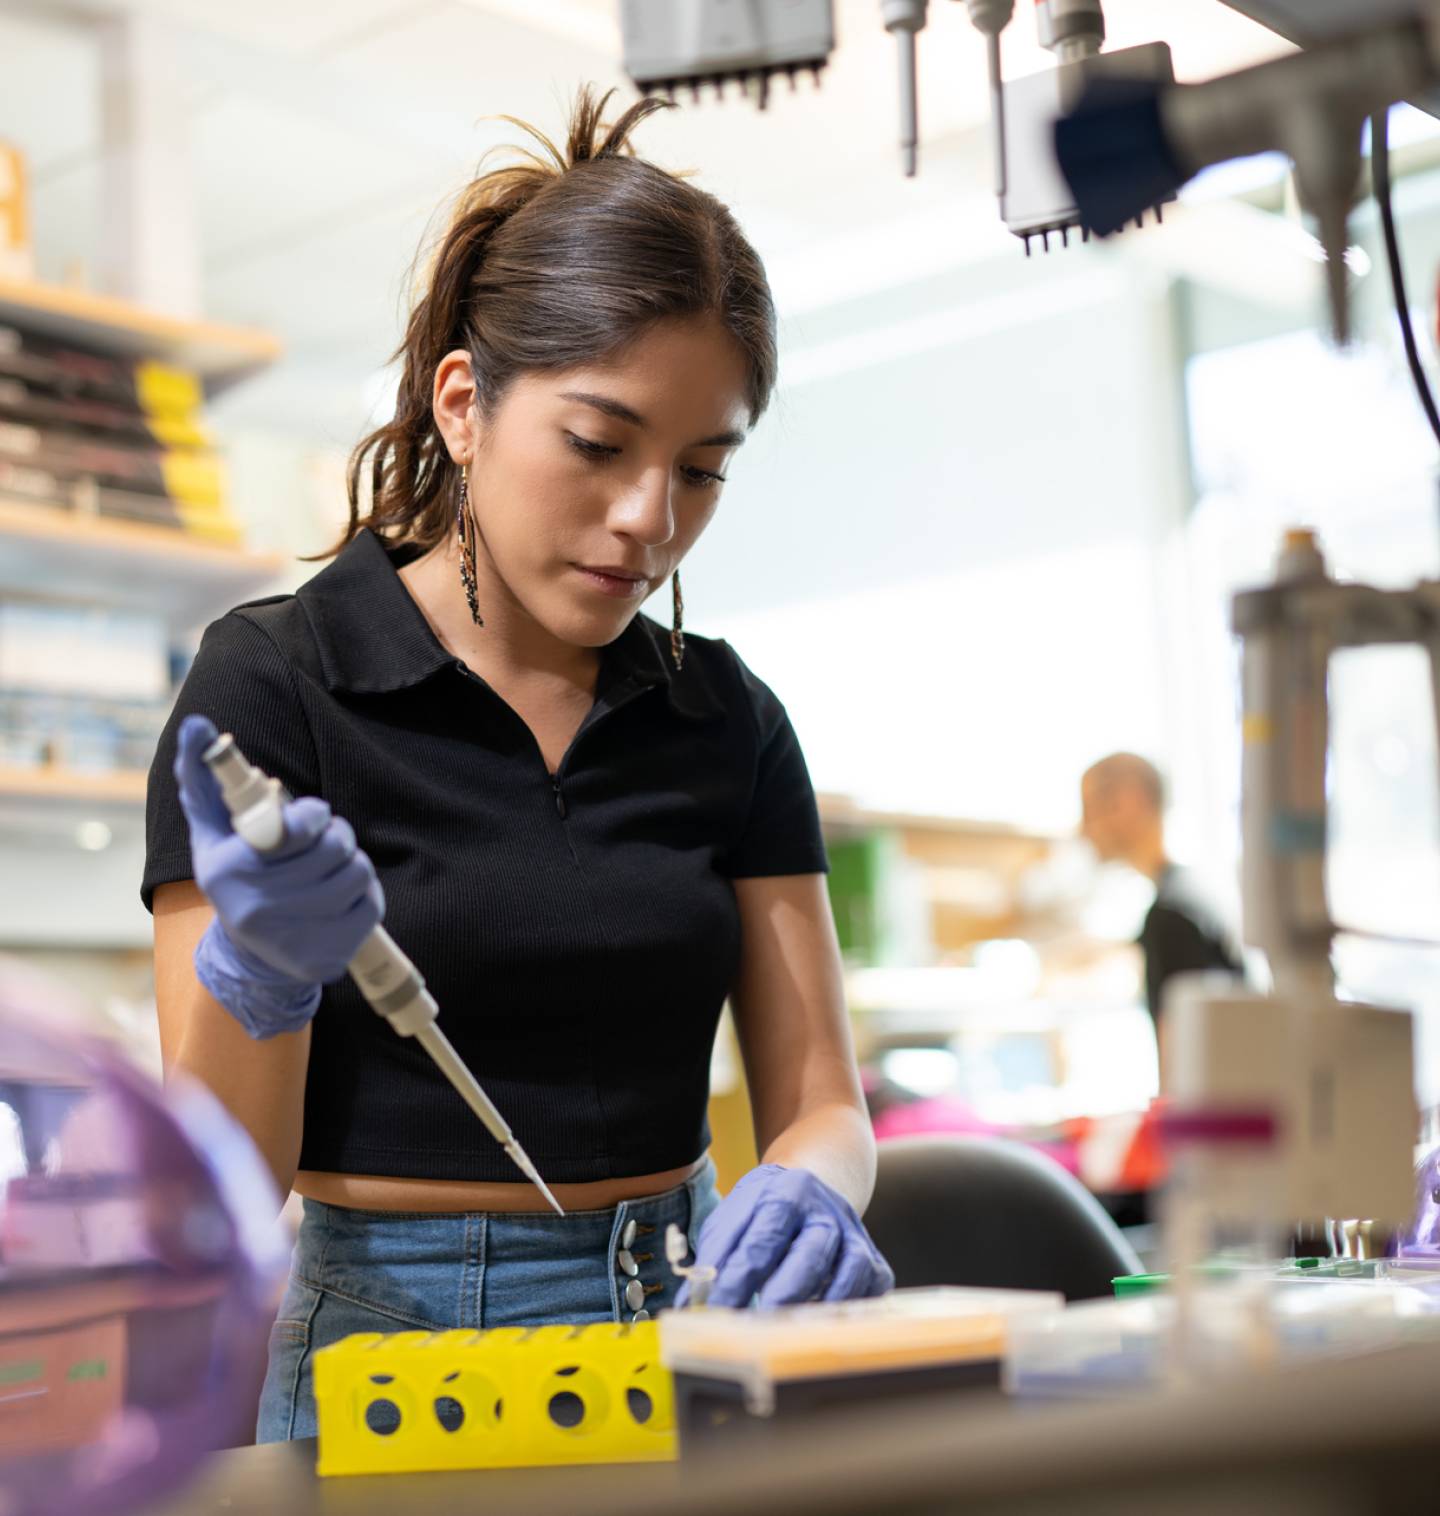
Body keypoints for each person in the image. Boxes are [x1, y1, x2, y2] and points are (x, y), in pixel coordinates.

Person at [143, 89, 892, 1443]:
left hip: (689, 1320)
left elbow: (822, 1104)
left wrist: (820, 1190)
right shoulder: (280, 685)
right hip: (395, 1358)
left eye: (702, 470)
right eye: (599, 445)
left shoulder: (726, 717)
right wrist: (260, 973)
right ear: (464, 406)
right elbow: (221, 1196)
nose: (649, 520)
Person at [1079, 753, 1244, 1030]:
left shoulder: (1170, 916)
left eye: (1089, 809)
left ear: (1130, 801)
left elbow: (1182, 1046)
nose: (1084, 830)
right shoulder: (1188, 894)